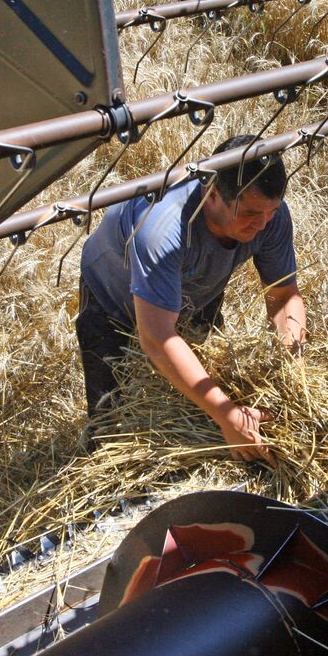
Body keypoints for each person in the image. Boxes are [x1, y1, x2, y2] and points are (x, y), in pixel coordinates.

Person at [76, 134, 307, 465]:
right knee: (109, 416)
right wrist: (228, 415)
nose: (262, 224)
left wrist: (292, 367)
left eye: (271, 211)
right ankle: (103, 463)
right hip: (112, 294)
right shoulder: (162, 227)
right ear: (211, 194)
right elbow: (157, 338)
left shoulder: (270, 217)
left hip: (197, 284)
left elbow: (284, 295)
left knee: (203, 382)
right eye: (251, 213)